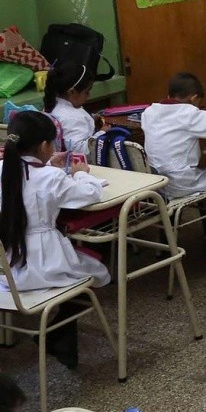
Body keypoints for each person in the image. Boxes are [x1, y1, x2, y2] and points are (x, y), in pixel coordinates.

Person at [0, 111, 110, 369]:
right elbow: (90, 194)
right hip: (44, 263)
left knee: (84, 269)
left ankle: (62, 340)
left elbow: (28, 181)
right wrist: (81, 173)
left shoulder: (5, 169)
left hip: (7, 270)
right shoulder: (51, 177)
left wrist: (49, 164)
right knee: (99, 273)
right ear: (44, 146)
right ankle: (55, 335)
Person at [141, 72, 206, 200]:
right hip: (180, 181)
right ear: (194, 99)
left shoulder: (149, 112)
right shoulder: (188, 114)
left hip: (156, 181)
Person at [43, 62, 108, 155]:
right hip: (75, 163)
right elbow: (80, 151)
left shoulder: (53, 105)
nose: (89, 95)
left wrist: (90, 120)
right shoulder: (72, 117)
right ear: (72, 92)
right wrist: (102, 133)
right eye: (86, 92)